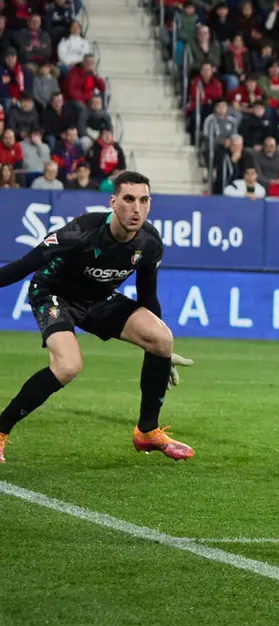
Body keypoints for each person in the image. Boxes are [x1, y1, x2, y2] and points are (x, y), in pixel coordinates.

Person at [0, 172, 195, 464]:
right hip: (53, 294)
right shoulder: (81, 232)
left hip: (97, 299)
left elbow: (147, 298)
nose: (136, 208)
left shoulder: (149, 242)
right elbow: (23, 266)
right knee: (68, 366)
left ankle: (147, 432)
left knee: (162, 338)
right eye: (129, 199)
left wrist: (161, 356)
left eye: (144, 200)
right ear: (113, 201)